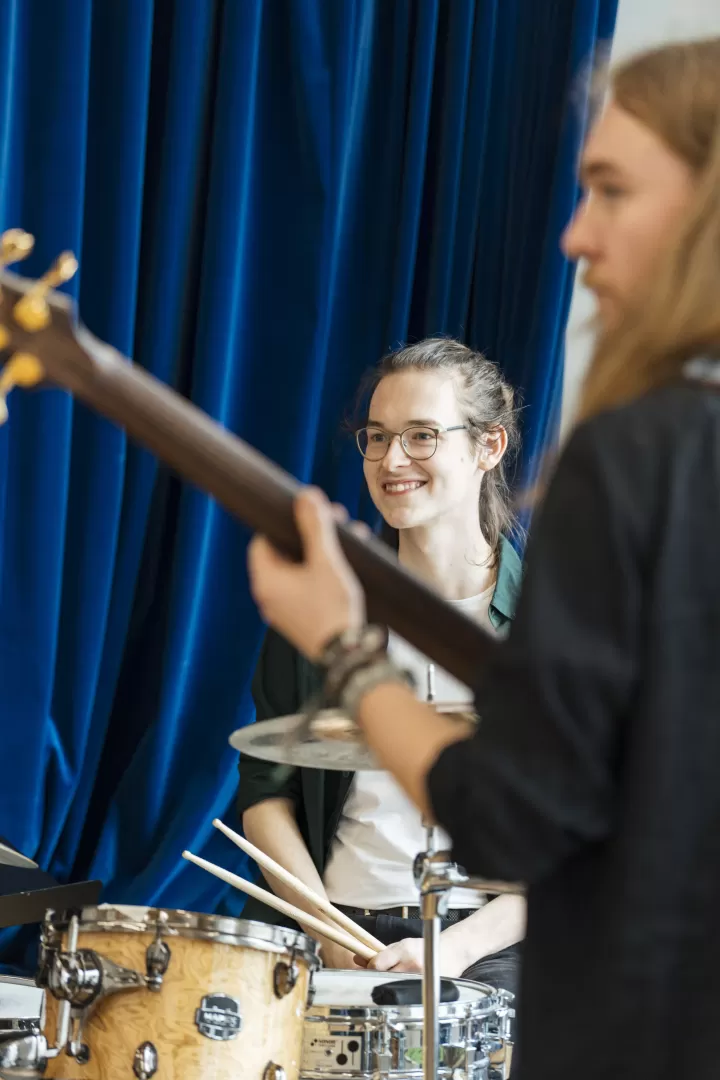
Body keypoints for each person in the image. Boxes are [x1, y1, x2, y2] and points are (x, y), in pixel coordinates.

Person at [247, 37, 720, 1080]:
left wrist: (343, 648)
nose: (573, 234)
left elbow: (521, 820)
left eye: (610, 188)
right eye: (377, 437)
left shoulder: (647, 453)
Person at [238, 338, 526, 997]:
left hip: (484, 941)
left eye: (421, 435)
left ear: (489, 447)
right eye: (376, 436)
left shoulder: (557, 621)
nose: (391, 460)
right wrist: (328, 930)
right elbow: (264, 794)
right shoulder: (323, 606)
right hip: (326, 923)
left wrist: (451, 949)